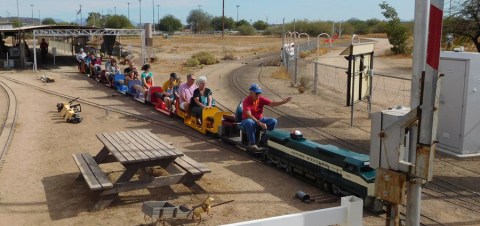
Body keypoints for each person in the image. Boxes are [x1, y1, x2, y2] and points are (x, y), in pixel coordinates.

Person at [241, 84, 292, 151]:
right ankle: (252, 143)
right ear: (251, 93)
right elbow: (249, 115)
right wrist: (260, 123)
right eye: (256, 93)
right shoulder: (246, 101)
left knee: (273, 121)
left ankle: (263, 140)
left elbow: (272, 104)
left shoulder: (260, 99)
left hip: (259, 120)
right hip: (247, 121)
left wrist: (283, 102)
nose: (258, 95)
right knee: (249, 122)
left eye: (259, 93)